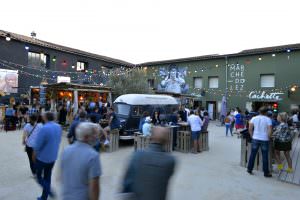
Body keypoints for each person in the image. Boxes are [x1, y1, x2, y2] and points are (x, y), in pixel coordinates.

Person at [122, 126, 176, 200]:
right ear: (166, 141)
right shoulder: (170, 161)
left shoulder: (138, 155)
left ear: (151, 137)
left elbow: (127, 183)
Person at [61, 122, 102, 200]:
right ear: (86, 137)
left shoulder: (66, 150)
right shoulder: (93, 156)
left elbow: (61, 176)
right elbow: (94, 187)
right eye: (93, 134)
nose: (96, 137)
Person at [33, 112, 62, 200]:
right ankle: (44, 197)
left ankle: (49, 191)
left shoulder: (44, 128)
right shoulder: (58, 127)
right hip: (53, 157)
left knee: (38, 177)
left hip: (42, 158)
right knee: (47, 177)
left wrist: (33, 156)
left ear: (45, 118)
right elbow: (58, 140)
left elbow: (37, 145)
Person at [247, 107, 272, 178]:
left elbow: (250, 128)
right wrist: (269, 137)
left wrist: (252, 136)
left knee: (253, 154)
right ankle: (266, 173)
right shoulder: (268, 119)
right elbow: (270, 129)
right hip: (264, 139)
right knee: (265, 156)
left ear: (259, 111)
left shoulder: (254, 118)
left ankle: (249, 169)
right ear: (266, 112)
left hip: (255, 138)